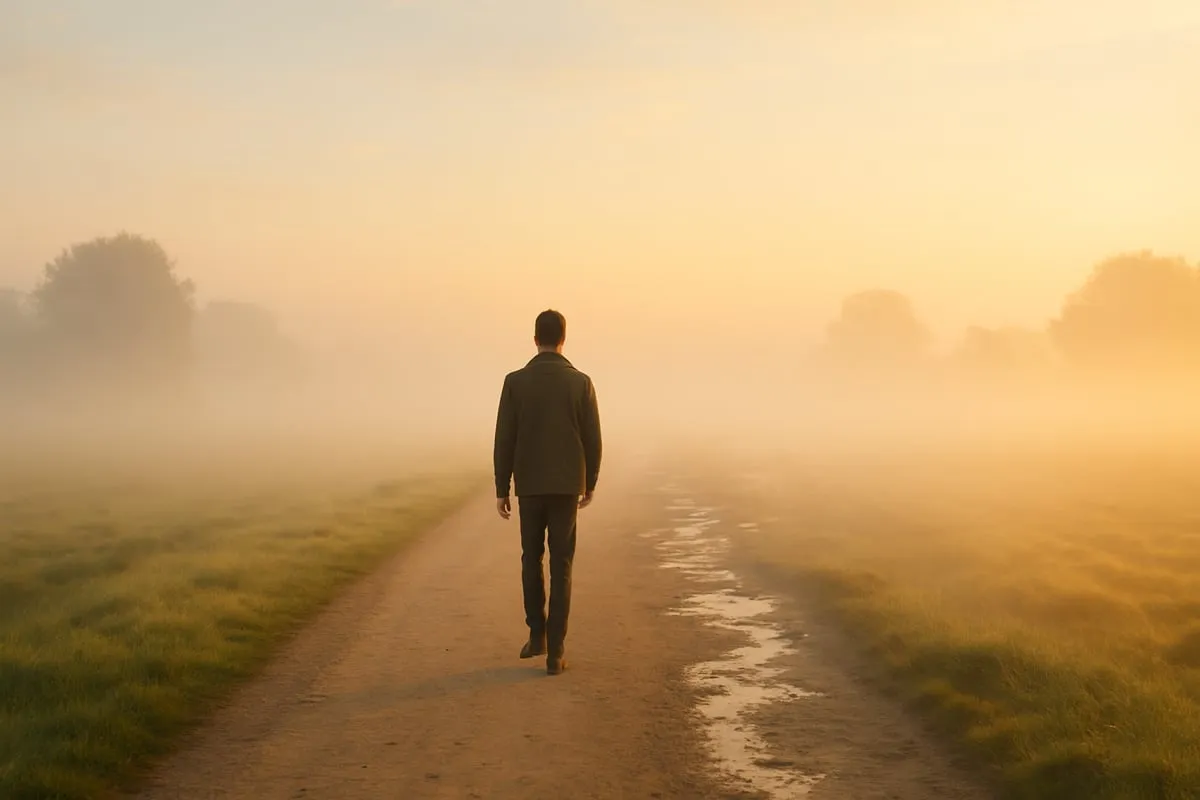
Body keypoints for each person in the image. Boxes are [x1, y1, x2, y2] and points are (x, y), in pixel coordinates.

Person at [493, 309, 602, 676]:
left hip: (531, 487)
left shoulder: (515, 382)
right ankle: (556, 652)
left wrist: (501, 487)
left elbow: (504, 437)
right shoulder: (581, 383)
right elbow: (593, 439)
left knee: (530, 558)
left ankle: (536, 633)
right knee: (562, 565)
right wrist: (591, 482)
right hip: (567, 486)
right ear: (563, 339)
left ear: (535, 338)